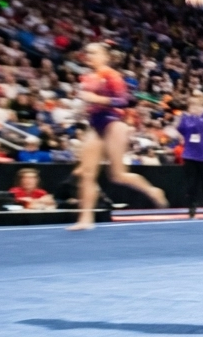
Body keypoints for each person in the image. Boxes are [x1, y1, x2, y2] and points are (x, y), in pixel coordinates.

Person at [70, 43, 168, 230]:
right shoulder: (86, 77)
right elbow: (88, 103)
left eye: (94, 52)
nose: (89, 55)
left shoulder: (111, 75)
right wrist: (83, 109)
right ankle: (85, 219)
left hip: (114, 122)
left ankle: (152, 190)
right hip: (95, 123)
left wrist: (97, 100)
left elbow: (124, 101)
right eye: (87, 52)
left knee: (117, 175)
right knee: (87, 173)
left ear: (105, 56)